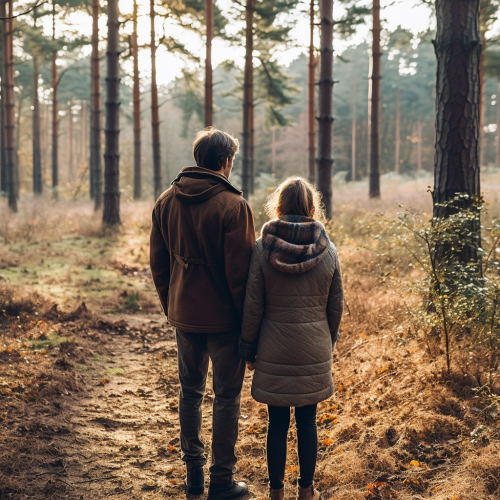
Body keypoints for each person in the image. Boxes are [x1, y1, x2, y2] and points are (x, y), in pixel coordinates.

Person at [150, 127, 255, 500]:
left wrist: (173, 306)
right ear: (226, 162)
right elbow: (240, 277)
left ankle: (193, 476)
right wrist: (250, 328)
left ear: (199, 158)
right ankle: (222, 482)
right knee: (226, 397)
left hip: (184, 314)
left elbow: (158, 265)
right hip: (225, 320)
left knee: (189, 393)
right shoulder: (234, 206)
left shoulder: (165, 200)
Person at [239, 177, 344, 500]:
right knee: (308, 420)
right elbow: (336, 305)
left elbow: (253, 304)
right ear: (312, 208)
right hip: (313, 346)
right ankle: (307, 490)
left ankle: (275, 493)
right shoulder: (328, 250)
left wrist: (248, 347)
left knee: (277, 422)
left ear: (280, 207)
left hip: (273, 345)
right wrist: (328, 342)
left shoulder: (262, 248)